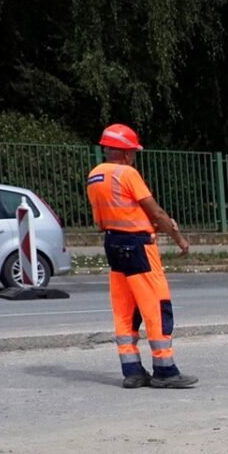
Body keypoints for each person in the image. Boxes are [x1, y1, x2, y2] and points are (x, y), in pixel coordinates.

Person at [85, 123, 198, 389]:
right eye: (133, 151)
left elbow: (114, 216)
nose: (134, 156)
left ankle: (132, 371)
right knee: (156, 306)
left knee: (125, 308)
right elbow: (155, 212)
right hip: (139, 247)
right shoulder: (127, 173)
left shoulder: (95, 175)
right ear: (125, 152)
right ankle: (165, 370)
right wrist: (179, 239)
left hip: (113, 243)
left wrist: (149, 223)